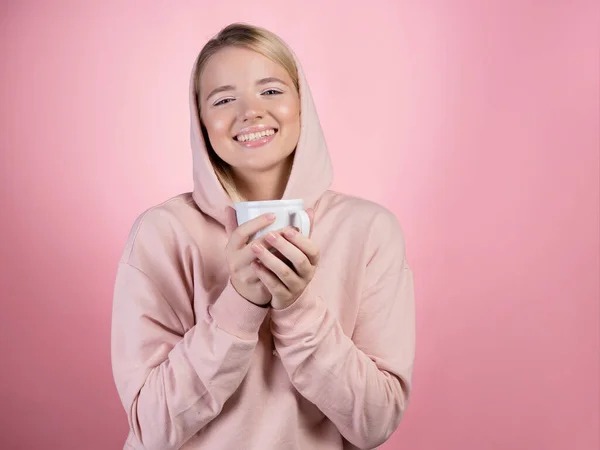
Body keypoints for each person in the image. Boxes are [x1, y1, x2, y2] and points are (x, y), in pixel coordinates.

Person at [111, 22, 415, 450]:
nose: (250, 111)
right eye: (224, 99)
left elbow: (375, 422)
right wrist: (239, 304)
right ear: (200, 119)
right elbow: (152, 427)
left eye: (271, 91)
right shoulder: (161, 233)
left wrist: (296, 307)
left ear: (301, 103)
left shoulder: (368, 231)